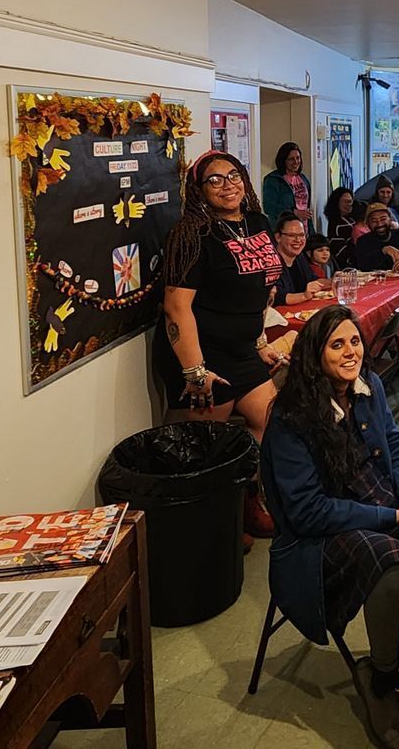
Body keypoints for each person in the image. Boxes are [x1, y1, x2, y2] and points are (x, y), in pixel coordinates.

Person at [260, 306, 399, 748]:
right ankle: (382, 677)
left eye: (354, 341)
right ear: (314, 354)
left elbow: (397, 448)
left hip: (383, 506)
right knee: (391, 566)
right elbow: (307, 512)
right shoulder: (291, 417)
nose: (350, 351)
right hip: (320, 537)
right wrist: (393, 517)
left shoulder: (367, 385)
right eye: (337, 344)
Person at [160, 151, 286, 537]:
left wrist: (259, 340)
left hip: (242, 350)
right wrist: (195, 372)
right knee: (210, 447)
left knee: (271, 422)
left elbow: (261, 289)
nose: (227, 185)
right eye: (214, 180)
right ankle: (217, 525)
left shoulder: (257, 222)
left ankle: (246, 498)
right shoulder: (192, 234)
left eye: (234, 176)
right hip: (203, 354)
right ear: (198, 189)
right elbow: (176, 308)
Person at [271, 215, 334, 306]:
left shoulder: (300, 257)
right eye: (292, 235)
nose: (298, 240)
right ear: (278, 237)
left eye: (301, 235)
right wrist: (304, 296)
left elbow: (314, 281)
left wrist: (334, 281)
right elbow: (277, 298)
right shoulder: (271, 261)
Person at [261, 142, 315, 225]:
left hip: (303, 227)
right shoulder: (273, 180)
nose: (296, 162)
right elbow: (269, 207)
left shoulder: (303, 179)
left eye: (298, 158)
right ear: (284, 160)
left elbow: (306, 208)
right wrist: (293, 212)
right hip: (283, 227)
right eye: (291, 159)